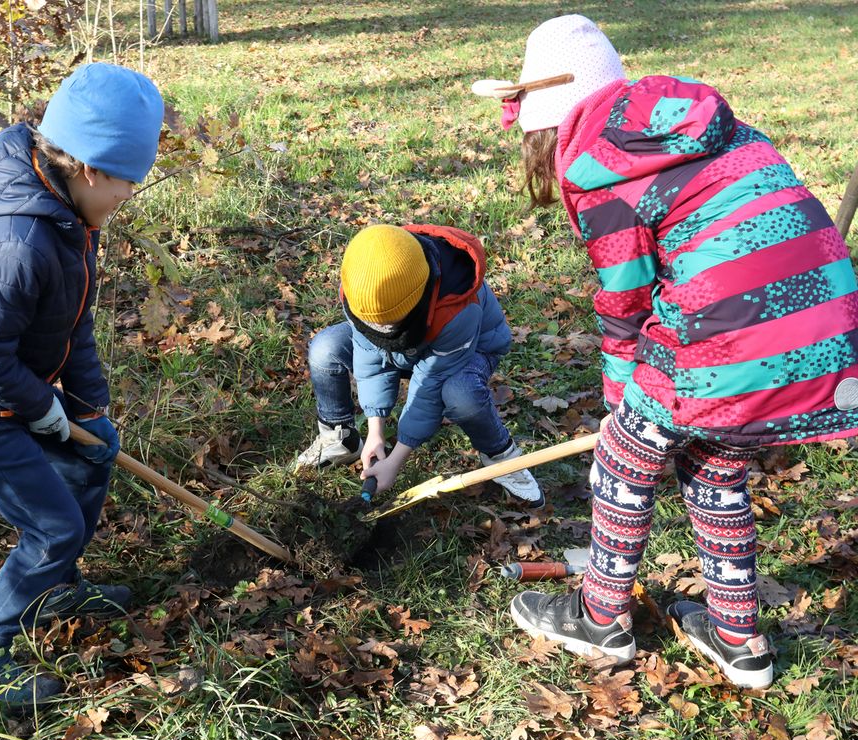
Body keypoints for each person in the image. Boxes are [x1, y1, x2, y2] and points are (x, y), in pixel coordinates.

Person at [474, 14, 858, 689]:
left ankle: (600, 620)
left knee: (625, 454)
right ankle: (738, 641)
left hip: (735, 334)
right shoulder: (706, 124)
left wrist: (622, 406)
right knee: (714, 467)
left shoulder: (597, 163)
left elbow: (625, 303)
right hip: (827, 329)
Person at [0, 63, 163, 710]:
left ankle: (56, 589)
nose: (127, 201)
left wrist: (88, 408)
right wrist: (43, 408)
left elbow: (73, 323)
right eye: (128, 187)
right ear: (93, 169)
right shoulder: (16, 245)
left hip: (9, 380)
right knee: (52, 527)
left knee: (92, 454)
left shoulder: (73, 220)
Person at [294, 223, 543, 507]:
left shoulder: (456, 309)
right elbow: (370, 357)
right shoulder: (361, 283)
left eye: (385, 324)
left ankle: (502, 457)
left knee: (460, 394)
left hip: (468, 347)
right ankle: (341, 440)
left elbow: (429, 386)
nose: (377, 329)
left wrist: (397, 458)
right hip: (407, 343)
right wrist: (376, 432)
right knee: (326, 348)